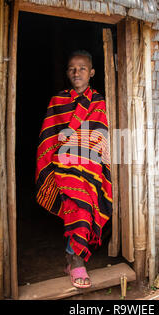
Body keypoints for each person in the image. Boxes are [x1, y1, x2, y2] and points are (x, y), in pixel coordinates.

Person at [35, 50, 112, 289]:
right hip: (63, 168)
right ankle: (77, 260)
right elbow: (50, 137)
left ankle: (71, 256)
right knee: (76, 208)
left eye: (82, 68)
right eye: (72, 68)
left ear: (92, 73)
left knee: (86, 209)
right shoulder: (57, 101)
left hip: (91, 168)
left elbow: (101, 134)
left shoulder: (100, 102)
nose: (76, 72)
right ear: (67, 73)